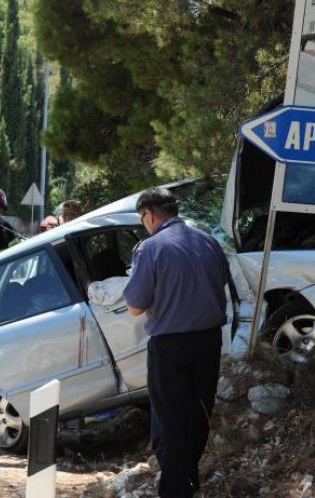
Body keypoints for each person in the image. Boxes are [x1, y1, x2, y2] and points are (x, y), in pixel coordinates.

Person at [124, 188, 230, 498]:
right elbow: (221, 281)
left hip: (170, 347)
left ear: (149, 215)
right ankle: (186, 487)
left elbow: (134, 306)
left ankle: (175, 492)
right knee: (197, 418)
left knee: (169, 426)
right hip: (209, 343)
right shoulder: (208, 241)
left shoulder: (150, 248)